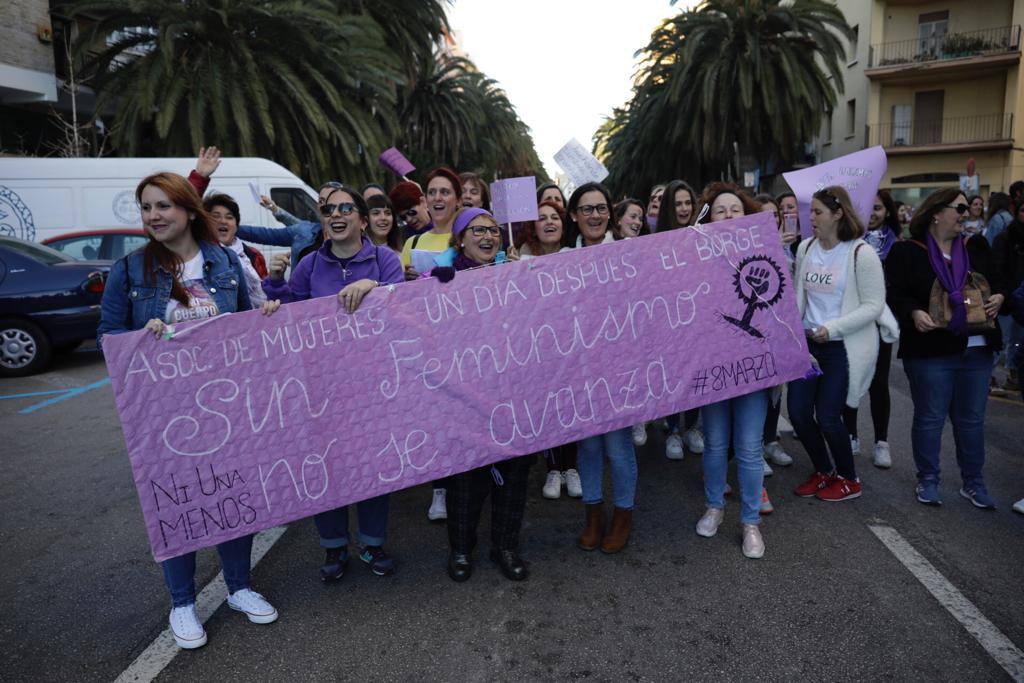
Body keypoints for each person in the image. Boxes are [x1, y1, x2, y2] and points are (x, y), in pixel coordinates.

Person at [97, 172, 282, 650]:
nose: (154, 216)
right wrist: (141, 339)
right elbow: (108, 335)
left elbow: (243, 322)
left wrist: (261, 319)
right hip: (164, 415)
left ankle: (239, 587)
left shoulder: (223, 261)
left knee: (233, 498)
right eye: (146, 208)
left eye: (163, 206)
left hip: (226, 407)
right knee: (175, 502)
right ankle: (182, 603)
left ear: (186, 209)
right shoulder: (131, 270)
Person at [263, 184, 405, 578]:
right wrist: (275, 289)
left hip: (373, 385)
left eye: (346, 208)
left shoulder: (384, 259)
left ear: (362, 219)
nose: (336, 214)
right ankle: (334, 548)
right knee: (325, 466)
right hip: (320, 386)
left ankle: (372, 546)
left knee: (374, 465)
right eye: (328, 210)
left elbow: (406, 308)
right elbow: (292, 314)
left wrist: (375, 286)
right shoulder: (308, 264)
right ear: (324, 221)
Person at [420, 207, 533, 582]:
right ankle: (460, 550)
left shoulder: (512, 274)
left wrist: (521, 280)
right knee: (466, 482)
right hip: (464, 398)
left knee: (515, 476)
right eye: (478, 230)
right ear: (461, 239)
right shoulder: (439, 280)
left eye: (494, 231)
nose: (488, 237)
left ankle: (506, 546)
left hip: (514, 394)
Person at [886, 188, 1005, 508]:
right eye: (960, 208)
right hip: (930, 349)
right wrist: (913, 312)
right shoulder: (908, 252)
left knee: (971, 420)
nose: (966, 214)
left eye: (967, 208)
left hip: (977, 348)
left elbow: (999, 280)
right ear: (937, 212)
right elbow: (894, 293)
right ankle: (928, 479)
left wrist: (999, 296)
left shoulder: (976, 246)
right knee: (930, 417)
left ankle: (974, 483)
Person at [690, 182, 773, 558]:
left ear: (747, 215)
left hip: (753, 371)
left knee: (750, 448)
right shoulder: (694, 258)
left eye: (734, 210)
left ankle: (750, 522)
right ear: (709, 216)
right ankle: (715, 507)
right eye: (720, 210)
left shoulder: (765, 255)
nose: (727, 215)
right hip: (713, 368)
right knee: (715, 445)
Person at [789, 186, 886, 503]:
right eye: (811, 212)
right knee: (800, 415)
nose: (811, 218)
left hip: (839, 349)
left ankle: (849, 478)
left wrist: (832, 328)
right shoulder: (805, 248)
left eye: (817, 212)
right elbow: (797, 296)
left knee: (829, 417)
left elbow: (874, 305)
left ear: (838, 213)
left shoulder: (861, 253)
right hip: (807, 348)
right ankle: (823, 470)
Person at [567, 182, 637, 554]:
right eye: (586, 208)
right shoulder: (560, 259)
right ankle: (593, 514)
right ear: (574, 215)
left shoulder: (628, 253)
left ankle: (624, 515)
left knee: (618, 448)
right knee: (589, 448)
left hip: (619, 370)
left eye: (600, 208)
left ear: (609, 213)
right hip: (579, 372)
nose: (594, 215)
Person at [519, 200, 580, 498]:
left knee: (572, 405)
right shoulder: (520, 263)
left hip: (572, 346)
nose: (549, 222)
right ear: (533, 227)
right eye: (541, 218)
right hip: (537, 350)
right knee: (550, 409)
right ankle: (554, 469)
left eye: (554, 216)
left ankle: (572, 468)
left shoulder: (576, 257)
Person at [841, 190, 901, 469]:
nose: (873, 214)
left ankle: (881, 442)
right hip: (853, 321)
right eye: (868, 208)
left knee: (879, 382)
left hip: (880, 322)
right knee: (851, 378)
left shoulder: (897, 246)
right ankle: (851, 435)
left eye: (878, 208)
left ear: (888, 211)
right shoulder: (850, 244)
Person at [652, 180, 704, 458]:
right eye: (678, 203)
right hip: (667, 321)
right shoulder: (654, 240)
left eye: (688, 203)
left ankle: (692, 427)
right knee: (672, 376)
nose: (684, 208)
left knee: (696, 373)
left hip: (698, 320)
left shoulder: (702, 235)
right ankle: (673, 430)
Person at [203, 193, 268, 307]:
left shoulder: (253, 254)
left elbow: (268, 291)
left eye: (229, 217)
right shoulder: (201, 256)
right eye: (216, 216)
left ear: (236, 225)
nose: (223, 221)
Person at [399, 168, 462, 283]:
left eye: (445, 192)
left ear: (458, 200)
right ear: (425, 200)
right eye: (432, 192)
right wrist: (406, 281)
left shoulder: (468, 238)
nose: (437, 198)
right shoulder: (412, 243)